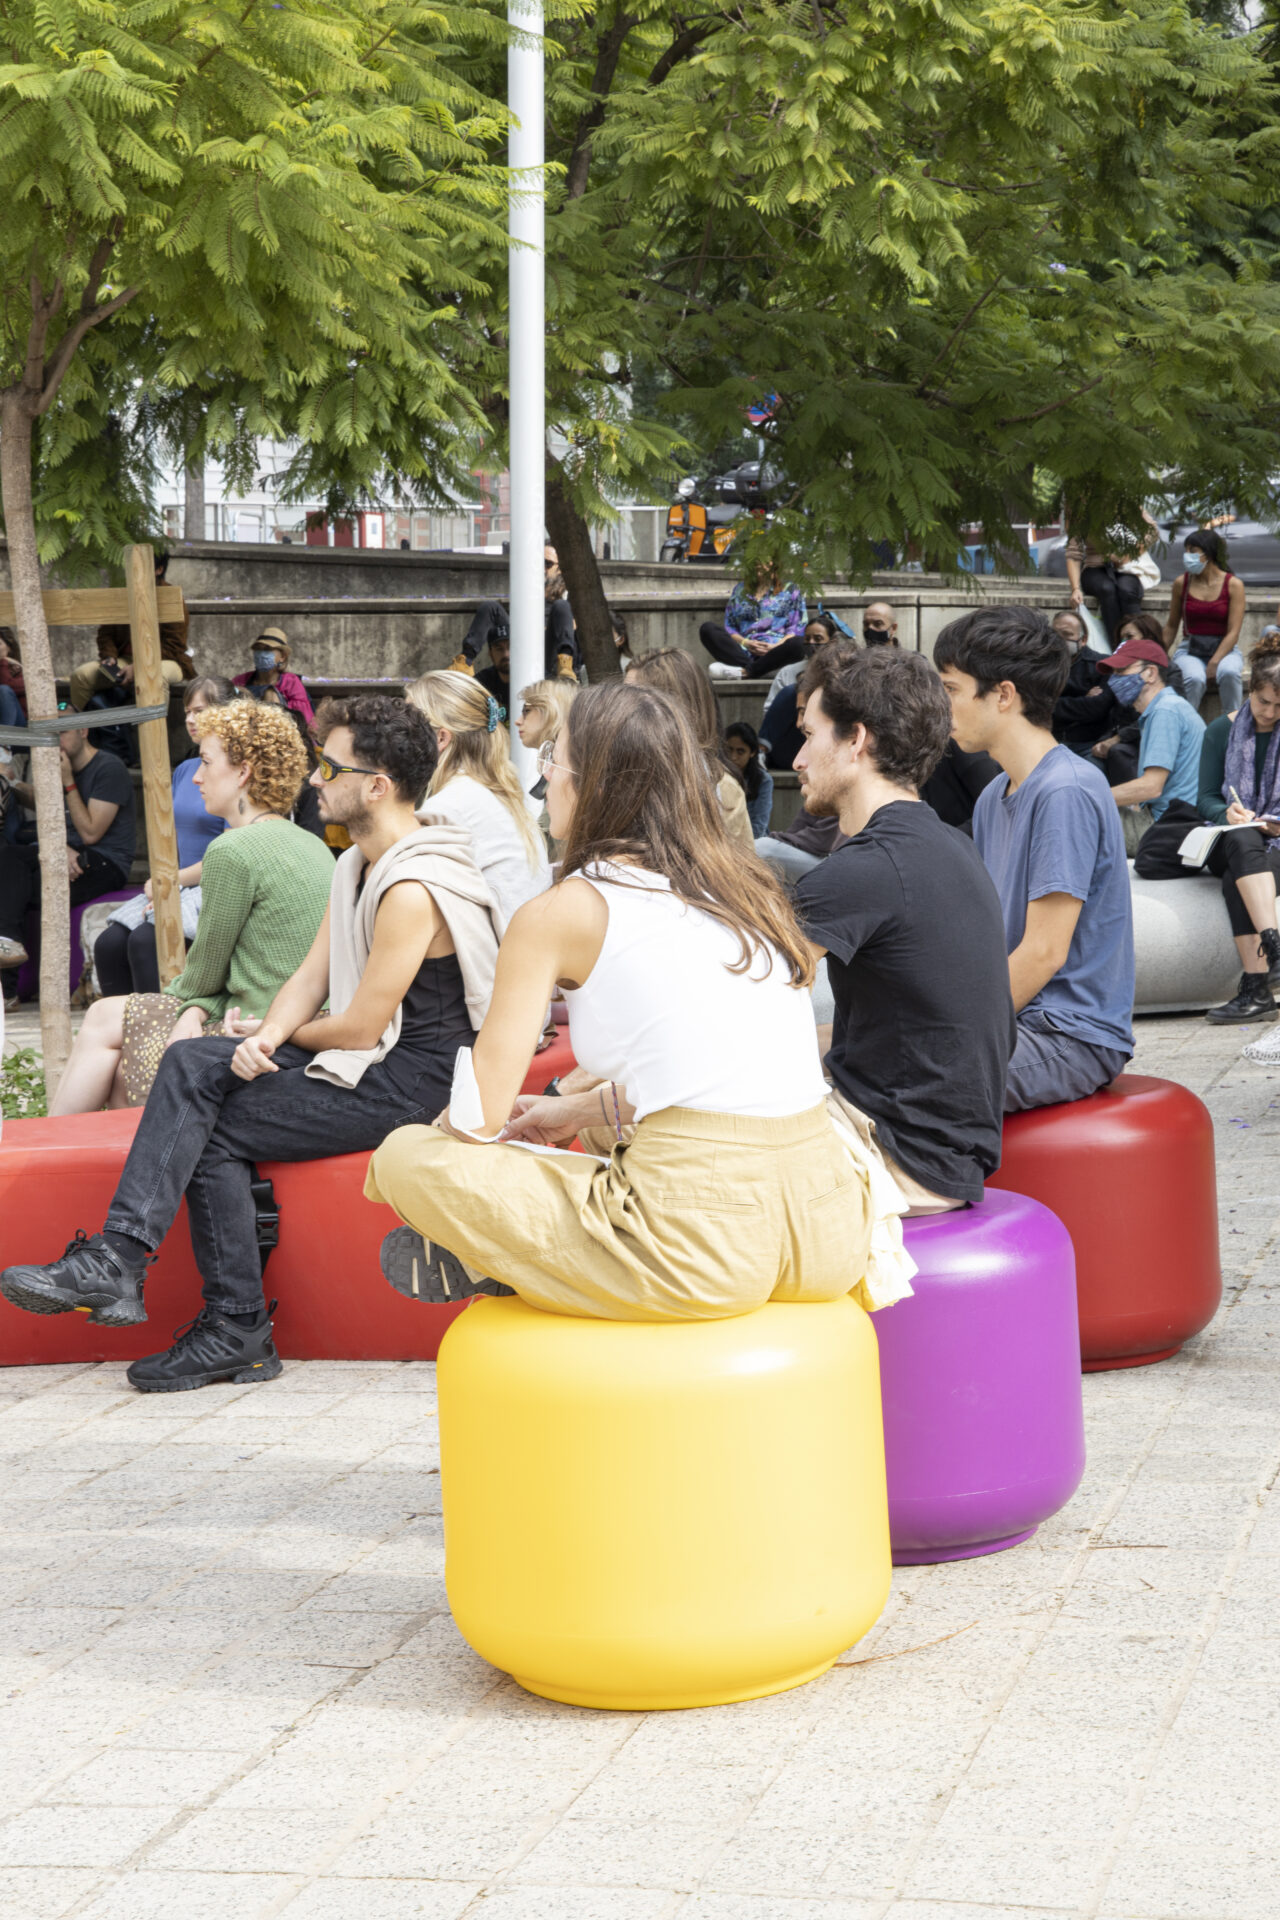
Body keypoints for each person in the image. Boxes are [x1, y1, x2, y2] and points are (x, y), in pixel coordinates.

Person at [0, 696, 501, 1393]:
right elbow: (310, 975)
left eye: (332, 764)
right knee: (191, 1061)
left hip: (408, 1081)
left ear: (377, 785)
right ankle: (135, 1272)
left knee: (205, 1127)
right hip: (373, 1057)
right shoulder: (361, 861)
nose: (316, 779)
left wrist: (278, 1037)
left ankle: (224, 1319)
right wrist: (263, 1036)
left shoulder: (413, 886)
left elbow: (358, 1026)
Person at [366, 679, 879, 1318]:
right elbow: (724, 1076)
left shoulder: (560, 911)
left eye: (552, 758)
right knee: (611, 1131)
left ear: (593, 784)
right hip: (829, 1225)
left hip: (703, 1245)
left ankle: (503, 1253)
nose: (544, 777)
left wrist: (450, 1146)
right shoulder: (749, 888)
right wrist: (581, 1109)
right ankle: (529, 1251)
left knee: (404, 1157)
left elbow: (478, 1121)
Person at [790, 644, 1015, 1207]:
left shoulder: (865, 870)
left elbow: (721, 1006)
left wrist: (586, 1100)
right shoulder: (951, 845)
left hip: (898, 1161)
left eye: (810, 735)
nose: (797, 759)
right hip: (946, 1152)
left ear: (856, 740)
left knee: (648, 1130)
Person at [53, 699, 336, 1114]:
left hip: (254, 1023)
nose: (197, 778)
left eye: (205, 762)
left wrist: (193, 1007)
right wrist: (197, 1003)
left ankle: (45, 1157)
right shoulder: (311, 844)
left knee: (101, 1019)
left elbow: (202, 976)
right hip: (294, 1019)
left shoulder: (233, 849)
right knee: (113, 1051)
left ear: (243, 772)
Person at [935, 607, 1134, 1111]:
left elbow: (1045, 952)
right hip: (1021, 1020)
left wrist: (945, 1030)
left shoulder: (1064, 789)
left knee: (901, 1078)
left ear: (1002, 695)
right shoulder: (993, 796)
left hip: (1070, 1036)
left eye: (951, 689)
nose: (941, 707)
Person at [1134, 632, 1280, 1027]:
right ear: (1250, 691)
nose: (1268, 713)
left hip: (1273, 844)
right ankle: (1273, 945)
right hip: (1233, 837)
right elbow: (1205, 799)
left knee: (1239, 871)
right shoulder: (1221, 730)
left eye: (1278, 707)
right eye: (1263, 702)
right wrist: (1227, 813)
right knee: (1242, 836)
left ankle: (1257, 988)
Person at [93, 677, 237, 997]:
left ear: (227, 713)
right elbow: (168, 840)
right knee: (108, 944)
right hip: (174, 882)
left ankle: (160, 1036)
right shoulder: (185, 769)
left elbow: (232, 853)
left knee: (146, 941)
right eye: (187, 711)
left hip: (211, 885)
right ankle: (125, 1034)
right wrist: (163, 883)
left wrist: (171, 882)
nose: (189, 719)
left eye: (199, 710)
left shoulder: (241, 770)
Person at [407, 670, 551, 924]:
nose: (396, 738)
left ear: (440, 738)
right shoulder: (492, 794)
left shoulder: (449, 806)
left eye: (406, 727)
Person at [0, 720, 136, 971]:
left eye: (62, 733)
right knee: (7, 859)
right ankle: (8, 948)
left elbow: (91, 833)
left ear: (83, 731)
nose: (56, 740)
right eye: (51, 734)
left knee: (17, 888)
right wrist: (13, 782)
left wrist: (68, 782)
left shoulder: (108, 767)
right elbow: (42, 801)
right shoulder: (62, 766)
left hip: (106, 861)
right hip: (66, 849)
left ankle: (10, 987)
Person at [624, 649, 754, 848]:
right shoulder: (616, 774)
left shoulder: (721, 789)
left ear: (674, 707)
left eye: (633, 700)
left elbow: (736, 871)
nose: (620, 709)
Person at [1100, 635, 1205, 853]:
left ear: (1150, 673)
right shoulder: (1169, 706)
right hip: (1172, 822)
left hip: (1165, 828)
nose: (1114, 680)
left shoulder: (1165, 711)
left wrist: (1093, 796)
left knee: (1077, 815)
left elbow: (1151, 787)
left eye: (1121, 671)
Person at [68, 552, 195, 714]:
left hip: (166, 660)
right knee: (81, 676)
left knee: (156, 676)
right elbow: (105, 633)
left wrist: (140, 666)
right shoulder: (122, 594)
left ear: (159, 569)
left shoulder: (170, 597)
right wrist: (109, 657)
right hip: (125, 660)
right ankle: (80, 735)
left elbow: (175, 646)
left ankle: (157, 736)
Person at [458, 545, 581, 688]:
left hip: (549, 651)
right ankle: (464, 663)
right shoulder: (526, 593)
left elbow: (572, 630)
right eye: (537, 562)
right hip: (522, 644)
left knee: (561, 606)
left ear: (560, 569)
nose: (541, 568)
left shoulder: (569, 596)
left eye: (547, 564)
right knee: (490, 607)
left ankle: (565, 666)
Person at [1163, 528, 1246, 715]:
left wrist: (1215, 662)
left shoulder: (1233, 585)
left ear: (1208, 553)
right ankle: (1186, 724)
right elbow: (1171, 625)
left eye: (1193, 551)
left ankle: (1232, 726)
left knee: (1230, 673)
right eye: (1186, 550)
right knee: (1194, 678)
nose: (1187, 556)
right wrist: (1158, 653)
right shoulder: (1180, 583)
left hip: (1225, 649)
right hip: (1190, 648)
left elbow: (1234, 631)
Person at [700, 562, 808, 680]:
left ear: (776, 563)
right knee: (707, 629)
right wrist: (746, 643)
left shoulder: (791, 589)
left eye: (765, 560)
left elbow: (797, 628)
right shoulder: (740, 589)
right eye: (757, 560)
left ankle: (747, 671)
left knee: (799, 644)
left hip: (776, 651)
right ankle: (759, 670)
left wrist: (774, 647)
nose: (760, 564)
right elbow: (730, 627)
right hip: (743, 651)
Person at [1064, 512, 1158, 642]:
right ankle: (1115, 646)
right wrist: (1075, 588)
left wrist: (1130, 553)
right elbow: (1073, 553)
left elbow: (1152, 530)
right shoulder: (1081, 510)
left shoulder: (1125, 501)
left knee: (1127, 590)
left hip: (1126, 566)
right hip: (1094, 567)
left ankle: (1139, 645)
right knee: (1107, 588)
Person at [233, 627, 317, 731]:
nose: (261, 654)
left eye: (267, 650)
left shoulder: (290, 682)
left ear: (282, 657)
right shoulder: (241, 680)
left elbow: (303, 718)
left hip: (284, 733)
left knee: (270, 694)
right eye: (258, 649)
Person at [725, 721, 774, 838]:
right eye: (729, 750)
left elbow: (759, 825)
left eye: (740, 751)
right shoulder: (715, 775)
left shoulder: (763, 780)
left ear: (752, 752)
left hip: (752, 841)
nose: (733, 757)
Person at [0, 630, 26, 729]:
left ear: (9, 648)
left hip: (20, 725)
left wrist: (3, 661)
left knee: (4, 690)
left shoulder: (15, 667)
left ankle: (4, 741)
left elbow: (7, 684)